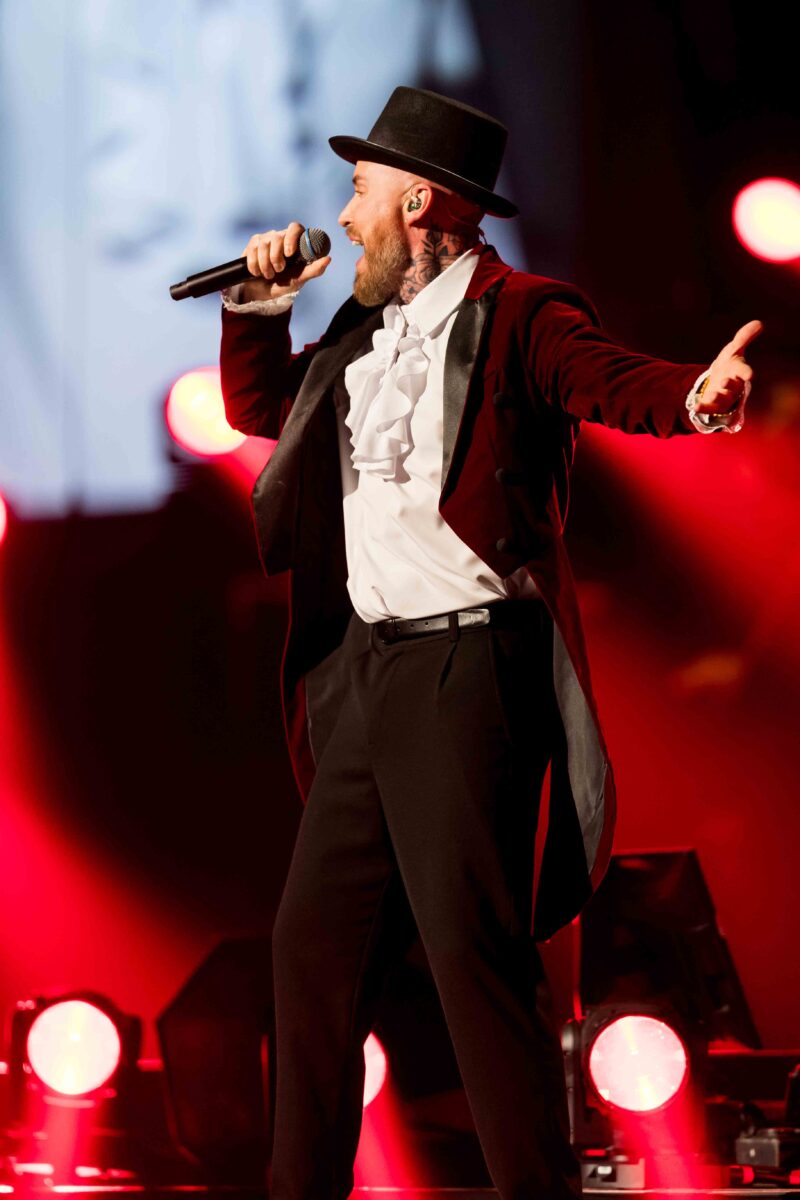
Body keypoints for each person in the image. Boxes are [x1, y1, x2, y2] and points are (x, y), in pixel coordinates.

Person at [218, 87, 761, 1200]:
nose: (346, 214)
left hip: (466, 671)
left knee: (473, 956)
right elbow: (263, 414)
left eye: (362, 190)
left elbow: (606, 379)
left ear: (419, 202)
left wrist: (696, 397)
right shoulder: (361, 331)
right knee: (311, 952)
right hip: (365, 672)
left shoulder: (520, 314)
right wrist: (256, 309)